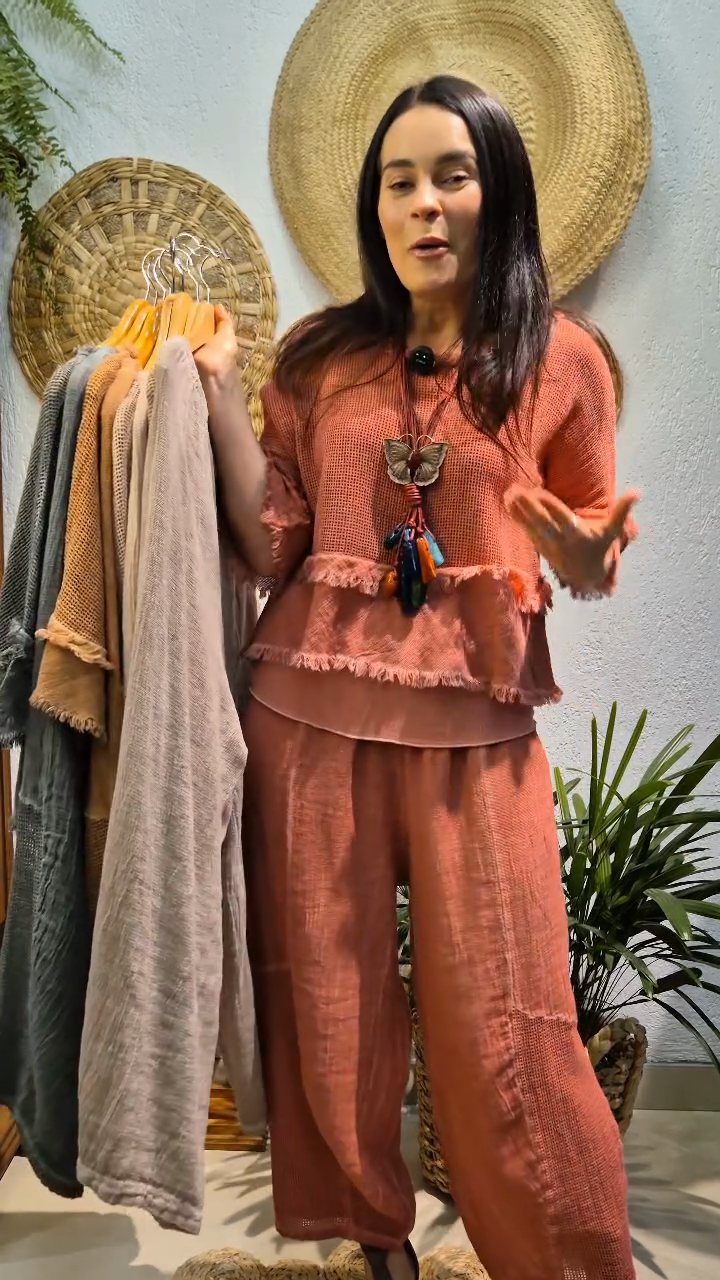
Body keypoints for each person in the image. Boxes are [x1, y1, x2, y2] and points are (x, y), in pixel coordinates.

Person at [196, 76, 638, 1280]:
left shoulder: (564, 359)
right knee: (328, 1009)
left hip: (477, 738)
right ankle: (377, 1248)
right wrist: (220, 399)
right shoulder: (319, 356)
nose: (424, 203)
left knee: (512, 1026)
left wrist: (583, 553)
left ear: (502, 194)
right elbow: (270, 539)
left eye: (453, 174)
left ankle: (566, 1261)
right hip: (306, 728)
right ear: (373, 205)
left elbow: (588, 541)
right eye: (400, 181)